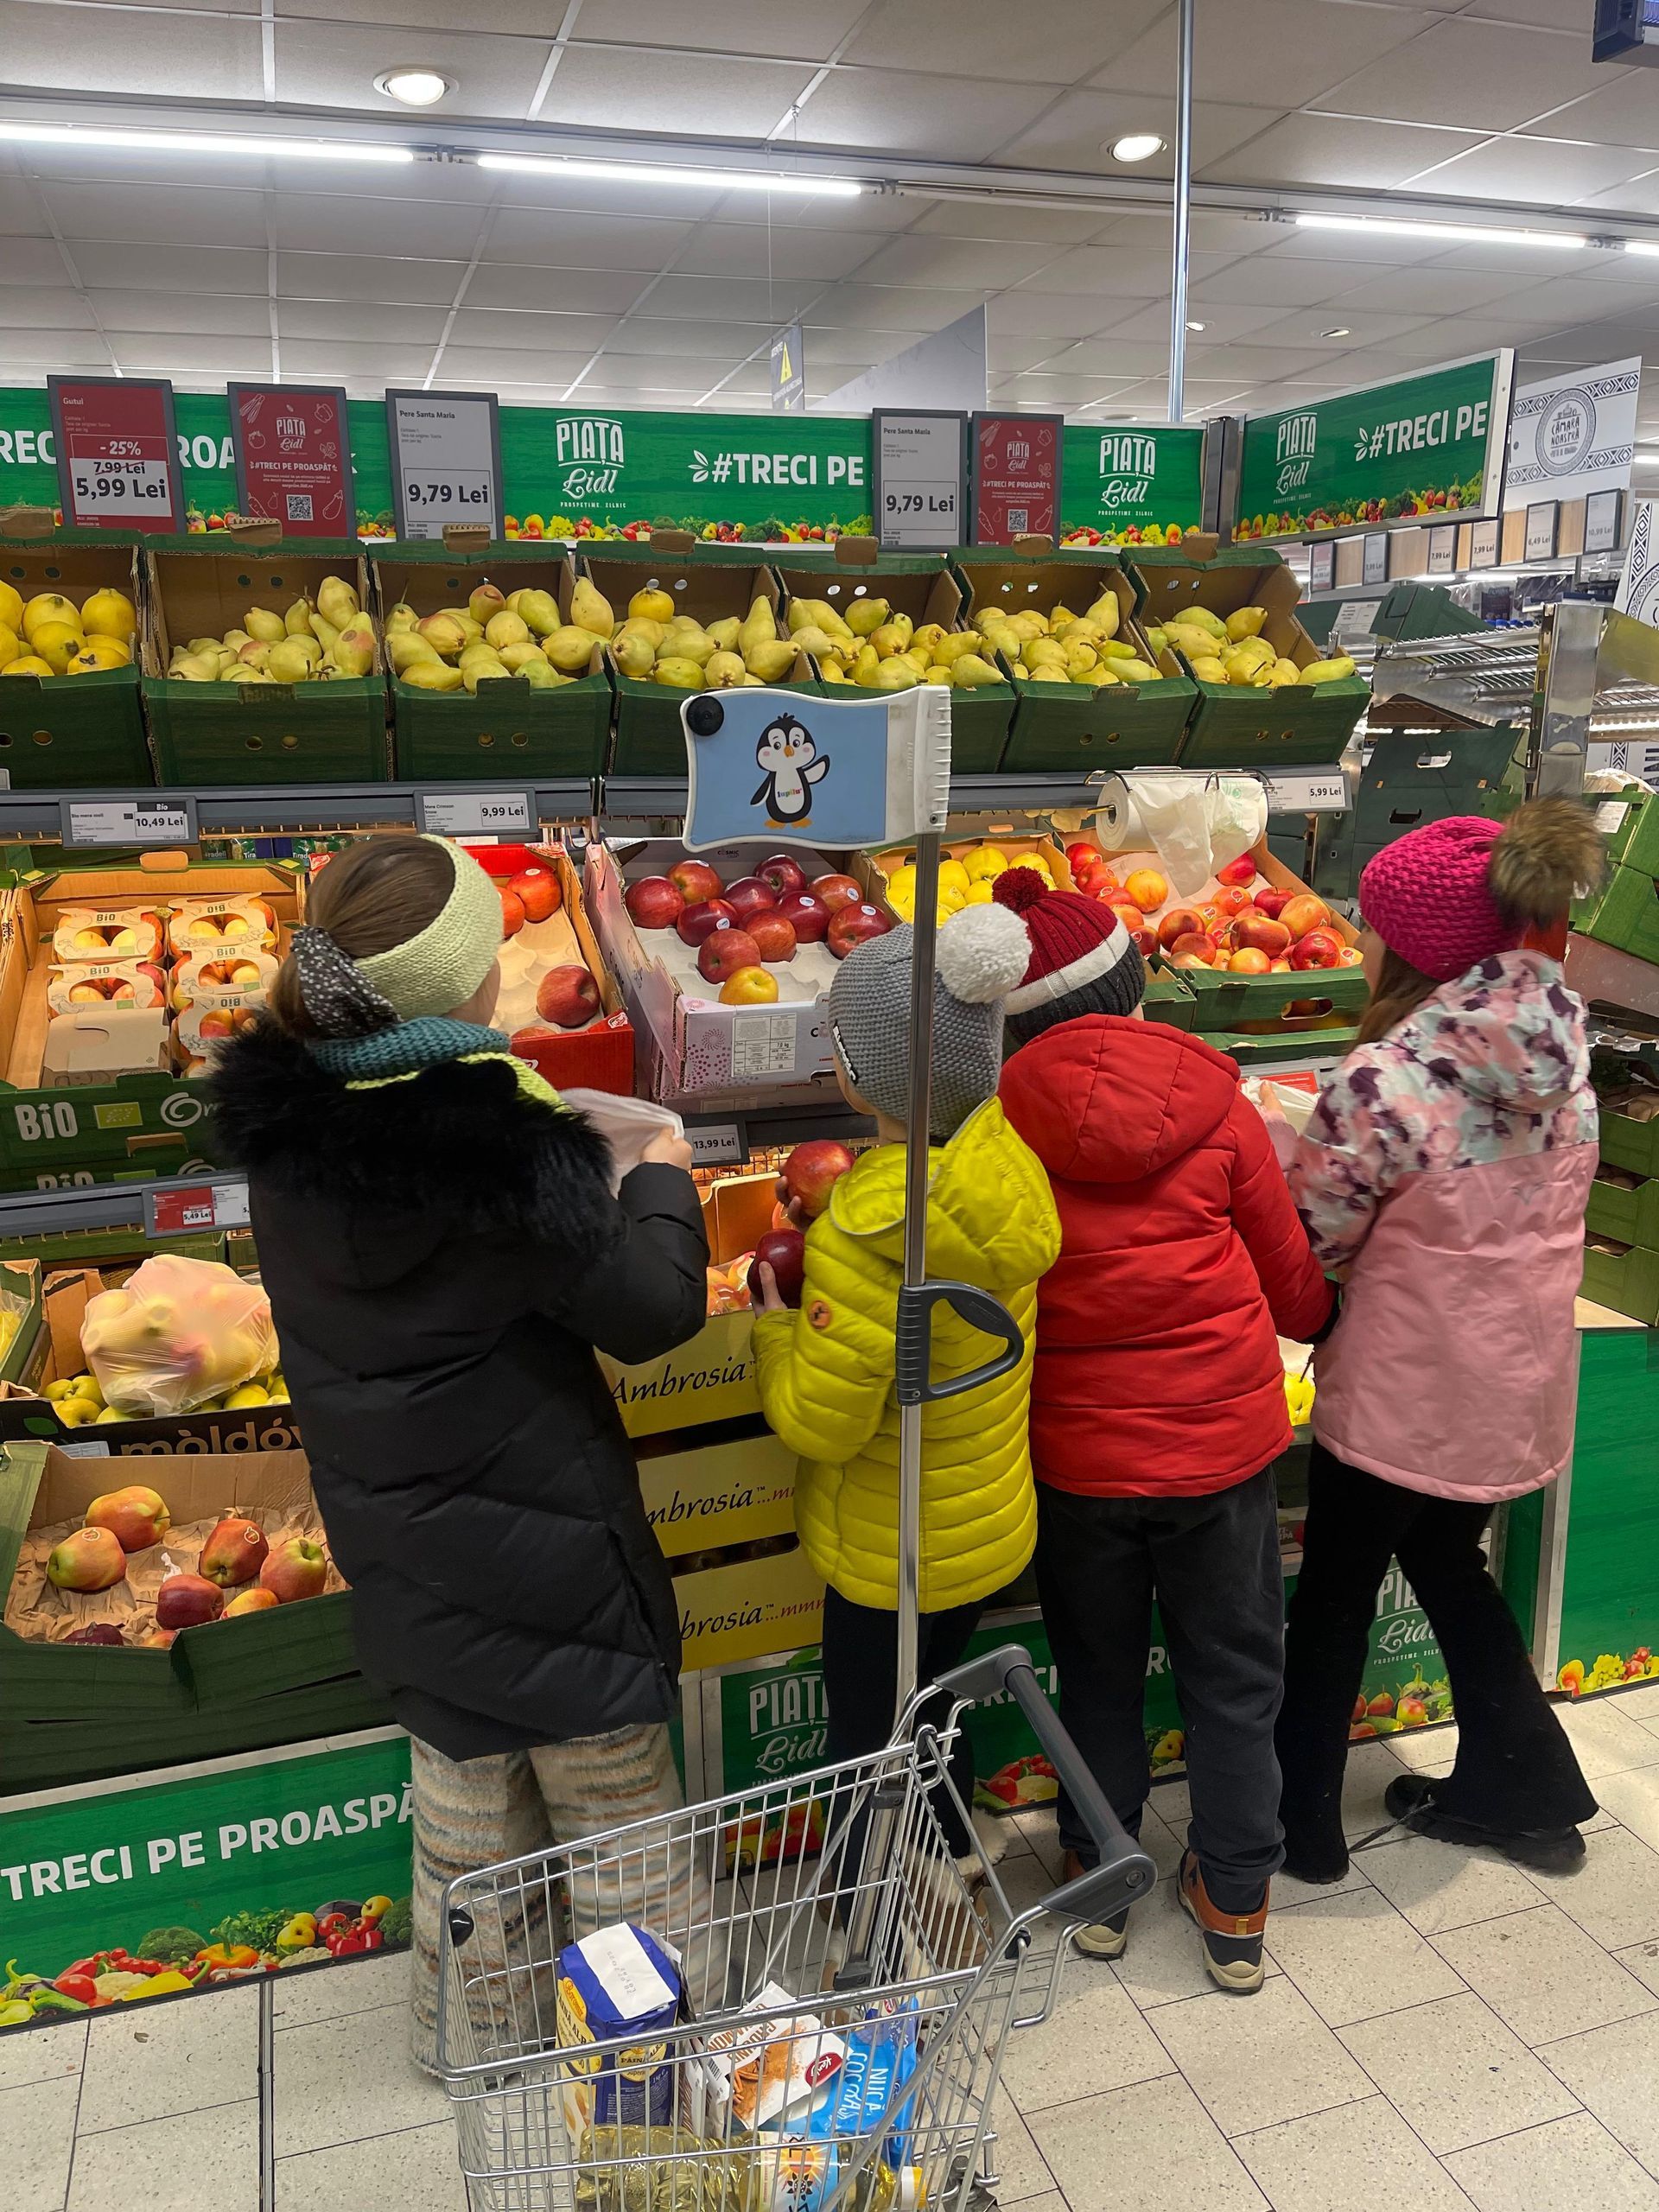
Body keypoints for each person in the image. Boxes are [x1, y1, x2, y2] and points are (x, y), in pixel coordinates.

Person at [207, 834, 711, 2072]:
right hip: (554, 1567)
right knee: (620, 1842)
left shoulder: (289, 1136)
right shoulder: (501, 1158)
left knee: (468, 1835)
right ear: (465, 985)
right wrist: (658, 1181)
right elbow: (650, 1315)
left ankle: (473, 2053)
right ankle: (637, 2084)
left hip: (408, 1560)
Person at [995, 866, 1333, 1994]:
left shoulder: (997, 1134)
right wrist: (1320, 1319)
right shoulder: (1220, 1108)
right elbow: (1292, 1291)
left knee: (1093, 1674)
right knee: (1236, 1677)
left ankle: (1099, 1885)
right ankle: (1237, 1901)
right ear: (1135, 987)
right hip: (1222, 1457)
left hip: (1078, 1465)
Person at [1278, 803, 1604, 1880]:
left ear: (1410, 949)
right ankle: (1531, 1783)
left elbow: (1318, 1237)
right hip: (1512, 1386)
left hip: (1401, 1396)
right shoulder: (1566, 1059)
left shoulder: (1386, 1081)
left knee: (1333, 1595)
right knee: (1447, 1560)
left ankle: (1305, 1830)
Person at [749, 896, 1058, 1883]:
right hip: (987, 1521)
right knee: (943, 1699)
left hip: (891, 1548)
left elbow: (821, 1424)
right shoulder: (1005, 1174)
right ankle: (956, 1845)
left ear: (862, 1067)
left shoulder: (865, 1233)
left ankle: (861, 1893)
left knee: (865, 1726)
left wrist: (771, 1329)